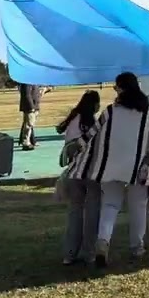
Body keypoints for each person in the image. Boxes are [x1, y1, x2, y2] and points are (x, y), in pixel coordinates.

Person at [68, 72, 149, 267]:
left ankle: (103, 242)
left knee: (110, 206)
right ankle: (137, 247)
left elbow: (90, 137)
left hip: (110, 167)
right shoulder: (148, 114)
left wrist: (74, 148)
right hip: (138, 168)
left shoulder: (110, 112)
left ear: (121, 89)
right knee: (138, 208)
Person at [55, 90, 101, 265]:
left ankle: (70, 253)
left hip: (74, 172)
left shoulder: (73, 121)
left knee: (75, 213)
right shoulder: (93, 124)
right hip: (91, 172)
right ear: (95, 105)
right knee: (92, 213)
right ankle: (89, 252)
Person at [18, 82, 42, 150]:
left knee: (30, 125)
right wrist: (31, 107)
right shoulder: (27, 82)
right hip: (30, 107)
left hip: (35, 106)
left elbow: (36, 94)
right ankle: (25, 142)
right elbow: (27, 94)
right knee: (28, 125)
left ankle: (29, 141)